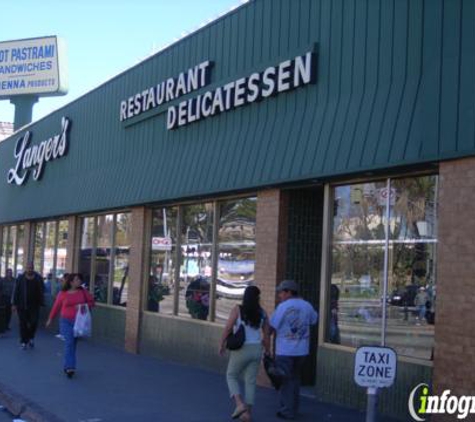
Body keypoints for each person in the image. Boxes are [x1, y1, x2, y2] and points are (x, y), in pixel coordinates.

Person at [219, 286, 270, 422]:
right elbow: (266, 335)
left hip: (242, 349)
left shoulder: (238, 310)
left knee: (231, 375)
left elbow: (228, 327)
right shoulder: (263, 313)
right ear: (258, 298)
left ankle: (239, 404)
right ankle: (247, 414)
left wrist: (221, 343)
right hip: (256, 349)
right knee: (251, 381)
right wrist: (268, 350)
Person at [270, 280, 318, 420]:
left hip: (285, 350)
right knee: (295, 380)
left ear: (289, 292)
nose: (279, 295)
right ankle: (293, 408)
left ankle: (287, 411)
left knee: (285, 381)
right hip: (302, 350)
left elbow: (273, 326)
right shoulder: (307, 305)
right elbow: (314, 320)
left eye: (281, 292)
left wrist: (266, 342)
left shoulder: (283, 307)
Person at [46, 273, 95, 378]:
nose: (79, 282)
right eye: (77, 280)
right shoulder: (63, 293)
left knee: (73, 344)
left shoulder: (83, 292)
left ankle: (68, 364)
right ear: (71, 282)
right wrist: (50, 319)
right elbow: (56, 307)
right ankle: (70, 367)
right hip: (65, 321)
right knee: (69, 343)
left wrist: (82, 306)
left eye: (80, 280)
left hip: (78, 322)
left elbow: (92, 303)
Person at [12, 262, 44, 349]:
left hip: (34, 306)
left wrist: (41, 301)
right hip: (22, 305)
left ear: (33, 268)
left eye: (31, 268)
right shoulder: (20, 278)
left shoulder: (38, 278)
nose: (29, 269)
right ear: (25, 268)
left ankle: (31, 337)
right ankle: (24, 341)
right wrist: (14, 304)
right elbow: (16, 291)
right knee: (23, 324)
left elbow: (42, 290)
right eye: (28, 268)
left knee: (34, 323)